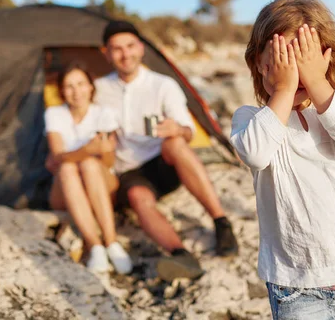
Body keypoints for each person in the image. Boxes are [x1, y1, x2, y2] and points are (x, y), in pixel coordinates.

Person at [230, 0, 335, 319]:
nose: (296, 72)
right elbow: (254, 153)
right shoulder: (251, 118)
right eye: (283, 60)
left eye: (303, 57)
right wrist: (283, 90)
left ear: (323, 59)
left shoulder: (331, 109)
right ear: (259, 65)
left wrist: (318, 82)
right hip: (296, 284)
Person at [94, 20, 239, 282]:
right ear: (106, 53)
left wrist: (177, 129)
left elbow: (189, 131)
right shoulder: (100, 89)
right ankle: (181, 254)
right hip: (129, 170)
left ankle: (221, 222)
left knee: (176, 143)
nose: (125, 54)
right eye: (117, 49)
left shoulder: (162, 85)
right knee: (138, 197)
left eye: (130, 46)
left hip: (163, 162)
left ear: (140, 47)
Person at [45, 62, 133, 274]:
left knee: (89, 164)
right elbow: (58, 157)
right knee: (68, 169)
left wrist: (94, 152)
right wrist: (88, 148)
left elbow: (109, 162)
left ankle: (111, 242)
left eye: (81, 84)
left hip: (101, 183)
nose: (76, 92)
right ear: (62, 91)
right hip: (66, 189)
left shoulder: (103, 114)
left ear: (91, 87)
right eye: (69, 86)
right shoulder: (54, 114)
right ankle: (95, 245)